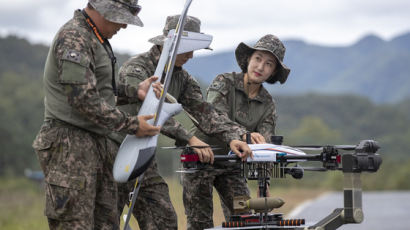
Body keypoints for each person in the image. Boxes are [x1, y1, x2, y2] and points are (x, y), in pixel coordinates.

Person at [32, 0, 161, 229]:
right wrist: (132, 125)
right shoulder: (74, 37)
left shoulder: (96, 39)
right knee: (75, 223)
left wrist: (135, 91)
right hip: (69, 146)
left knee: (106, 222)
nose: (123, 26)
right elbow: (83, 98)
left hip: (96, 143)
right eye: (122, 18)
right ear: (107, 10)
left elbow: (100, 89)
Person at [115, 15, 252, 229]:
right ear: (167, 43)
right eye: (185, 48)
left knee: (164, 219)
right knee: (104, 219)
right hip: (112, 151)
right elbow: (151, 113)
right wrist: (190, 139)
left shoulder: (184, 79)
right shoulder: (137, 69)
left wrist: (233, 137)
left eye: (193, 49)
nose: (190, 55)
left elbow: (206, 113)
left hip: (142, 156)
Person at [183, 34, 291, 229]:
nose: (260, 67)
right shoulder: (224, 81)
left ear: (273, 72)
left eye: (269, 64)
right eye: (257, 58)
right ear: (248, 59)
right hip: (201, 158)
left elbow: (264, 146)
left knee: (244, 220)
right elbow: (215, 117)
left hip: (233, 165)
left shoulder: (267, 103)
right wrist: (244, 135)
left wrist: (263, 180)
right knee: (200, 222)